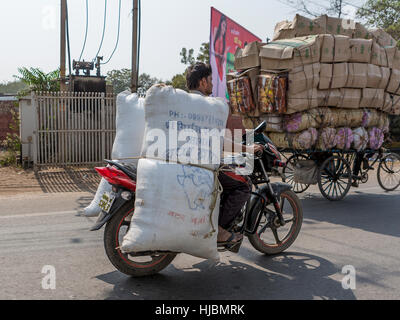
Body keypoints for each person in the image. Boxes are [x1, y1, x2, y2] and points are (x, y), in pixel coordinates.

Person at [185, 62, 264, 246]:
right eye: (211, 79)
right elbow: (219, 141)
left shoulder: (184, 103)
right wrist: (248, 149)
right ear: (203, 81)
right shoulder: (208, 106)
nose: (212, 84)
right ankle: (218, 230)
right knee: (243, 184)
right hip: (202, 167)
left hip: (184, 163)